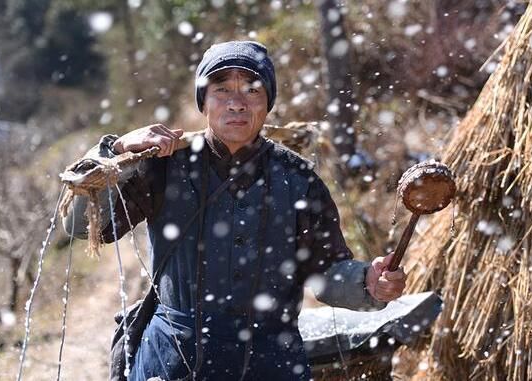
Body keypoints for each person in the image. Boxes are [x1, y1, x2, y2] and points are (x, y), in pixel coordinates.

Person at [64, 41, 407, 381]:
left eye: (252, 90)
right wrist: (114, 149)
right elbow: (82, 227)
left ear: (268, 103)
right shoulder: (163, 167)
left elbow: (327, 273)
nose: (237, 103)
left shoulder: (298, 180)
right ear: (204, 101)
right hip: (174, 360)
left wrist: (368, 283)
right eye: (222, 89)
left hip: (270, 360)